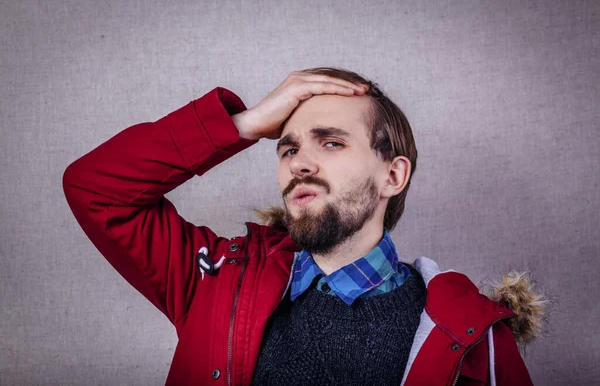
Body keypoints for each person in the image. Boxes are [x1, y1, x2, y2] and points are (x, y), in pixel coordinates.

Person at [63, 68, 542, 385]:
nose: (300, 164)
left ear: (392, 176)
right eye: (289, 148)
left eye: (331, 143)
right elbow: (94, 188)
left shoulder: (472, 337)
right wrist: (245, 124)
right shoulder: (214, 279)